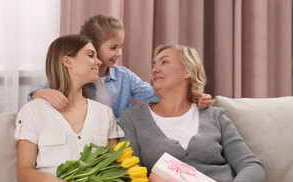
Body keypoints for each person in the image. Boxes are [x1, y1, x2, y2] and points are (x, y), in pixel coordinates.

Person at [119, 44, 286, 182]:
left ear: (188, 71)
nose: (154, 69)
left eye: (164, 62)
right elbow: (131, 176)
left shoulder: (214, 115)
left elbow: (251, 165)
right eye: (153, 65)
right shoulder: (133, 118)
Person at [14, 34, 142, 182]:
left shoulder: (104, 113)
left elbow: (115, 168)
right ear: (67, 61)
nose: (99, 61)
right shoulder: (34, 110)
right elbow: (24, 172)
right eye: (91, 55)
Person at [27, 14, 212, 118]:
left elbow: (156, 96)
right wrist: (45, 93)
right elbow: (35, 93)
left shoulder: (124, 76)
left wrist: (194, 97)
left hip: (118, 144)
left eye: (121, 47)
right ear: (92, 46)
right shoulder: (75, 77)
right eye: (113, 47)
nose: (119, 53)